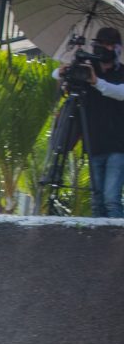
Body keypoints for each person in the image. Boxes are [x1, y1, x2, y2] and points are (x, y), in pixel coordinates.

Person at [55, 26, 124, 218]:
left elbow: (120, 93)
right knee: (97, 201)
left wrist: (96, 82)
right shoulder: (86, 70)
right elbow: (57, 75)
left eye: (109, 44)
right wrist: (63, 71)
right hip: (94, 144)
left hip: (118, 146)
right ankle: (99, 245)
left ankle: (117, 244)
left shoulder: (120, 73)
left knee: (111, 199)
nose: (104, 48)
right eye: (100, 44)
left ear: (117, 48)